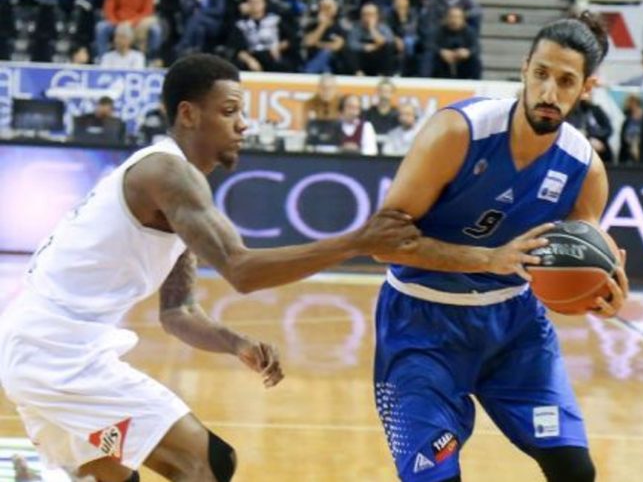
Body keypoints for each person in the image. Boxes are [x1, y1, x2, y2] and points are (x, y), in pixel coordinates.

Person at [0, 54, 419, 482]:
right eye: (229, 111)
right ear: (188, 114)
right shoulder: (167, 172)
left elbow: (178, 312)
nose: (243, 125)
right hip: (56, 351)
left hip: (38, 347)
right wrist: (358, 242)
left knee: (114, 477)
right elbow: (242, 270)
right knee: (207, 463)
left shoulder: (169, 183)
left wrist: (235, 343)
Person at [371, 12, 629, 482]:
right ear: (525, 68)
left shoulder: (585, 168)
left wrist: (604, 290)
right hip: (421, 325)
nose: (549, 92)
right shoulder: (458, 132)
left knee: (575, 470)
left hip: (514, 328)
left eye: (565, 81)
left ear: (587, 88)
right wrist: (488, 258)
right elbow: (381, 243)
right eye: (541, 74)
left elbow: (583, 254)